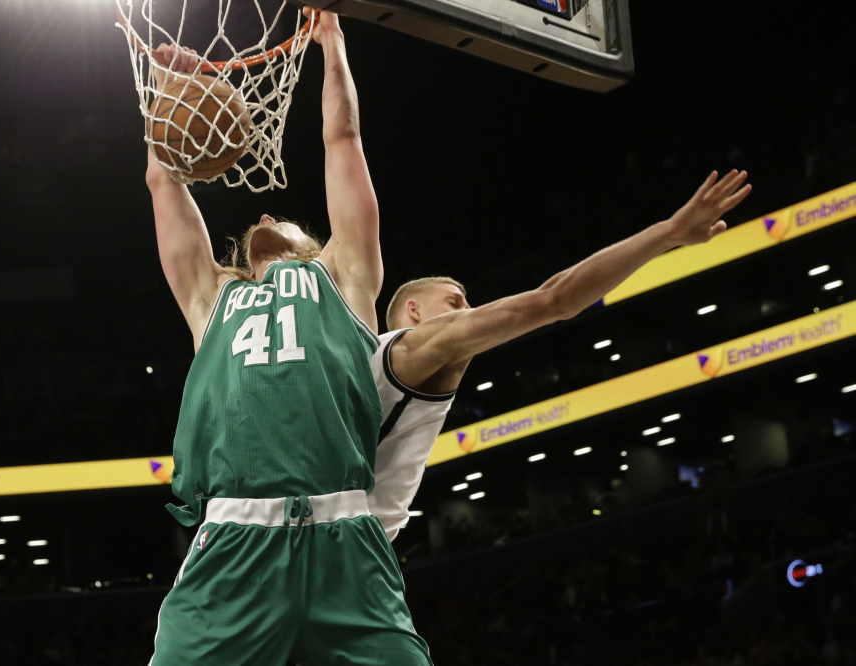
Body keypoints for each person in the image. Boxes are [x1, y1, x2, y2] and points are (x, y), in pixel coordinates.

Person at [143, 9, 432, 666]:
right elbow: (163, 182)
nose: (267, 213)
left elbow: (342, 140)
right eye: (258, 219)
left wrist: (333, 47)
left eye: (287, 218)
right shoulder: (212, 296)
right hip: (234, 541)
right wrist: (171, 98)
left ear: (315, 243)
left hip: (344, 537)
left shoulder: (346, 273)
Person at [367, 170, 752, 540]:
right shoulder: (416, 347)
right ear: (414, 310)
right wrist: (667, 233)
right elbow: (557, 299)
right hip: (358, 554)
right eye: (455, 301)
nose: (469, 310)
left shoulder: (359, 357)